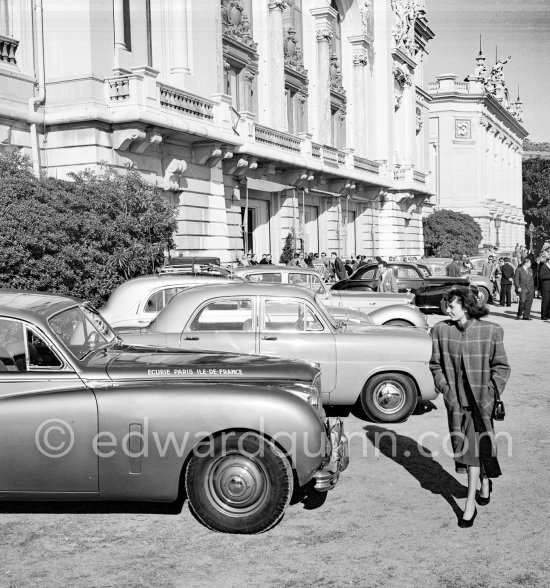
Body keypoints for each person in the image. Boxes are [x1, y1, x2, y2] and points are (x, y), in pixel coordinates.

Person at [430, 286, 510, 528]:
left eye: (452, 305)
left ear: (465, 306)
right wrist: (447, 392)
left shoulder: (491, 331)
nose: (447, 309)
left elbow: (502, 368)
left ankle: (469, 505)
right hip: (457, 403)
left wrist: (489, 396)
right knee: (469, 448)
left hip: (480, 404)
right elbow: (435, 366)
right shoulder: (441, 331)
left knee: (472, 452)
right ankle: (485, 482)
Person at [539, 256, 550, 321]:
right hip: (545, 287)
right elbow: (541, 276)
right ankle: (544, 316)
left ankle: (549, 314)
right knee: (545, 302)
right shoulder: (544, 267)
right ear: (548, 261)